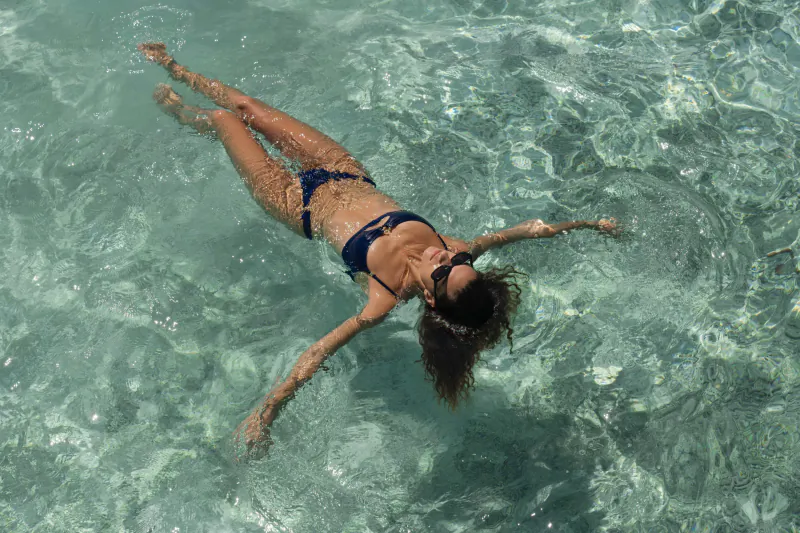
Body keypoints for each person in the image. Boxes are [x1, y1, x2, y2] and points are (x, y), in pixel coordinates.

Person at [138, 43, 620, 455]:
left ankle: (175, 110)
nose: (445, 256)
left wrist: (267, 413)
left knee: (224, 120)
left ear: (430, 298)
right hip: (343, 169)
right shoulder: (455, 250)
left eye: (445, 270)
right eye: (459, 261)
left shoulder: (383, 296)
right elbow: (524, 231)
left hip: (296, 204)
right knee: (248, 106)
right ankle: (172, 65)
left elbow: (316, 355)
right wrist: (585, 224)